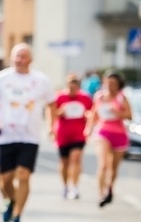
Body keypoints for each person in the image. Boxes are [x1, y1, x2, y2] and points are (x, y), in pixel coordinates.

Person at [0, 43, 55, 222]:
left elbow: (51, 105)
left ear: (30, 59)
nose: (19, 60)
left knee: (24, 175)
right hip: (5, 135)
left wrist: (52, 125)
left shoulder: (41, 80)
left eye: (23, 56)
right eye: (16, 56)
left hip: (30, 136)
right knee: (5, 180)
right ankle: (11, 201)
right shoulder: (2, 78)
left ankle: (17, 215)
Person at [84, 71, 131, 207]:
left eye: (113, 84)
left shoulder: (122, 97)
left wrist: (119, 113)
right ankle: (101, 194)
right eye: (107, 83)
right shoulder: (99, 97)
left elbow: (129, 115)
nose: (110, 86)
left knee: (113, 167)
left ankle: (109, 187)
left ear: (118, 85)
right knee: (103, 164)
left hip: (119, 134)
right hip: (102, 132)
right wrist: (88, 129)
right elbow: (94, 113)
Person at [49, 73, 92, 199]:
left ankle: (75, 187)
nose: (72, 91)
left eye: (74, 88)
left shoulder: (85, 98)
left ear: (78, 87)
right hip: (63, 134)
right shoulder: (59, 97)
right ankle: (65, 186)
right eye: (69, 87)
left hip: (79, 134)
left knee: (76, 159)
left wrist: (87, 116)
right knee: (64, 162)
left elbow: (92, 113)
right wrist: (59, 113)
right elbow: (52, 113)